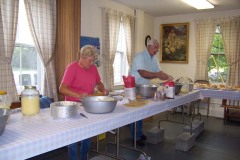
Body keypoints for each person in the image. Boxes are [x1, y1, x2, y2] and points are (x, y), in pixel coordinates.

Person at [59, 45, 109, 160]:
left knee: (87, 135)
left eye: (93, 61)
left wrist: (102, 89)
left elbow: (99, 82)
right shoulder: (72, 68)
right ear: (82, 56)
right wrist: (79, 95)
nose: (92, 63)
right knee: (72, 138)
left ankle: (83, 157)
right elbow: (62, 88)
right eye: (90, 60)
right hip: (72, 106)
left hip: (88, 106)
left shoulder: (93, 69)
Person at [129, 38, 173, 146]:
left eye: (158, 48)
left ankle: (139, 133)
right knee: (135, 112)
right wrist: (158, 75)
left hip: (143, 87)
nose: (157, 50)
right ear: (149, 46)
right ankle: (135, 137)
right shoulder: (140, 56)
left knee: (141, 110)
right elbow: (143, 73)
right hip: (133, 86)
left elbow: (159, 72)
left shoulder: (154, 59)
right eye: (155, 48)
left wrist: (167, 77)